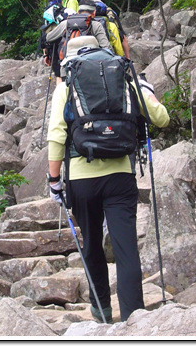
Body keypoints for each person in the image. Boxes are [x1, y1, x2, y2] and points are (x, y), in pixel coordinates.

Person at [45, 40, 170, 323]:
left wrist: (54, 180)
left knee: (91, 245)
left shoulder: (67, 86)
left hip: (81, 179)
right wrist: (147, 92)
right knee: (125, 248)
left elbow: (56, 136)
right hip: (120, 177)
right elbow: (162, 118)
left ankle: (101, 311)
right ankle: (133, 317)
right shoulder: (125, 78)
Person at [45, 0, 111, 82]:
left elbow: (48, 38)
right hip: (91, 68)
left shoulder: (66, 23)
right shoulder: (96, 25)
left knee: (68, 92)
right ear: (94, 13)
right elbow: (106, 48)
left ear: (78, 12)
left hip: (67, 68)